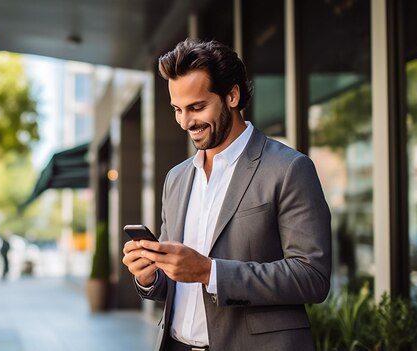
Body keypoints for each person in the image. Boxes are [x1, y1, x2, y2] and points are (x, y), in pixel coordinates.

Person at [122, 38, 331, 351]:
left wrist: (210, 272)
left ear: (232, 95)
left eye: (197, 107)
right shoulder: (176, 178)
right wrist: (149, 276)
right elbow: (175, 283)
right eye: (177, 109)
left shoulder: (289, 168)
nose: (185, 122)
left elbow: (312, 276)